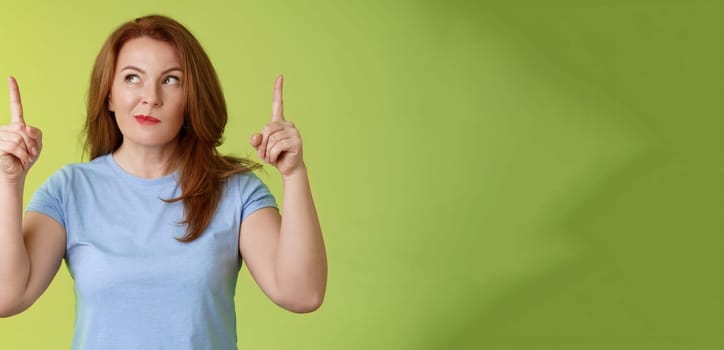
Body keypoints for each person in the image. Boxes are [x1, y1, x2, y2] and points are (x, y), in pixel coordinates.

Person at [0, 14, 327, 349]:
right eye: (132, 78)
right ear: (108, 95)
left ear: (192, 98)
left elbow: (302, 294)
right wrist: (9, 183)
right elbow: (6, 297)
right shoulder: (70, 189)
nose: (150, 97)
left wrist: (294, 174)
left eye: (171, 80)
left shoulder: (235, 190)